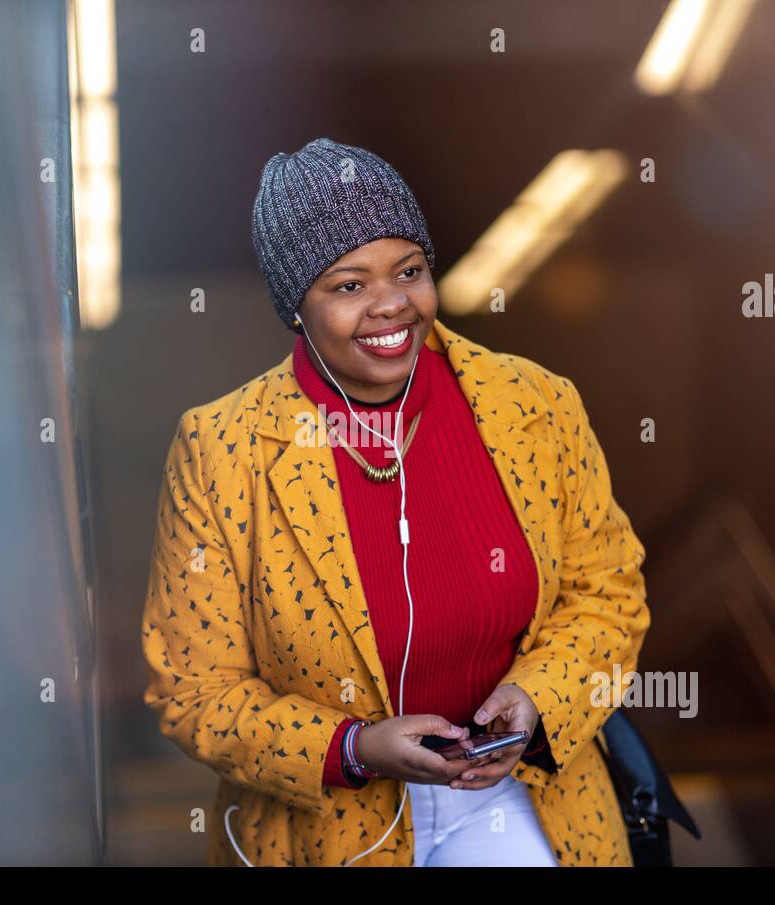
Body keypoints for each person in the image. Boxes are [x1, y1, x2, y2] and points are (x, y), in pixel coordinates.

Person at [140, 137, 651, 866]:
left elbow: (609, 592)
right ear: (296, 306)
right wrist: (354, 748)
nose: (391, 305)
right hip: (328, 825)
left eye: (409, 271)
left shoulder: (534, 403)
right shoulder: (223, 449)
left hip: (517, 791)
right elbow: (193, 688)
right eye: (349, 285)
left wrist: (539, 701)